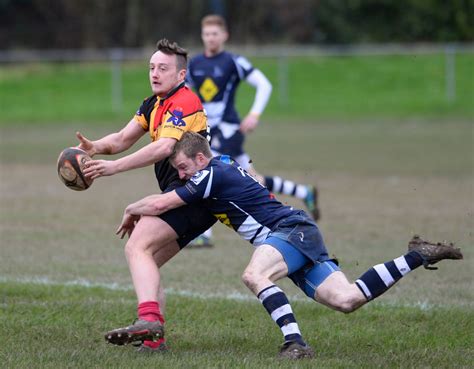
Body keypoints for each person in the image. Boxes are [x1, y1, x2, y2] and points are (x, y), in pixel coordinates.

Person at [109, 132, 463, 359]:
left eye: (184, 167)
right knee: (347, 299)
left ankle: (295, 343)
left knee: (254, 274)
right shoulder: (224, 166)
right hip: (296, 233)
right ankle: (419, 254)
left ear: (200, 159)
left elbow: (159, 204)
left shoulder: (210, 173)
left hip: (289, 229)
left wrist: (129, 208)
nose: (182, 175)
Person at [77, 39, 217, 352]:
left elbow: (165, 146)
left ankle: (148, 320)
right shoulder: (152, 104)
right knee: (147, 257)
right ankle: (155, 340)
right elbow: (123, 137)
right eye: (152, 67)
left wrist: (113, 168)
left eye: (163, 68)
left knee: (137, 246)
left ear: (180, 76)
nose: (154, 73)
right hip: (185, 194)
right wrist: (96, 146)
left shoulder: (184, 101)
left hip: (195, 194)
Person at [185, 14, 320, 247]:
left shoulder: (233, 61)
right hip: (208, 130)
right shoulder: (195, 64)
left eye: (215, 34)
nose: (211, 38)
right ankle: (302, 191)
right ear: (202, 36)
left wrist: (254, 114)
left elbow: (264, 84)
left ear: (224, 35)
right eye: (206, 34)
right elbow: (185, 92)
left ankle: (205, 234)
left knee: (208, 172)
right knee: (251, 177)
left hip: (228, 130)